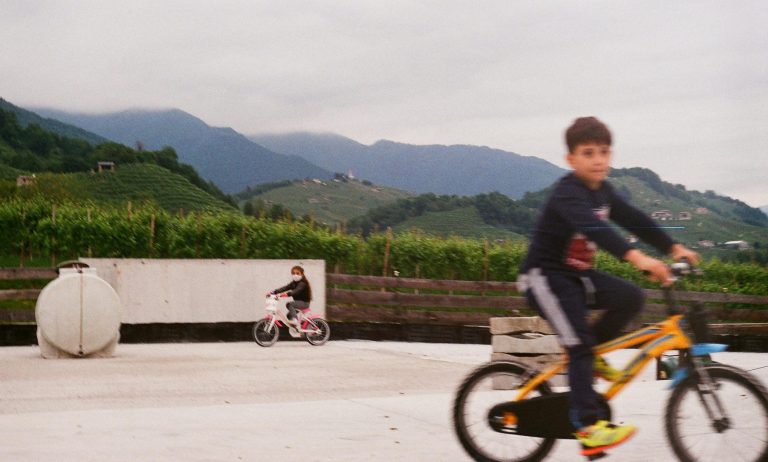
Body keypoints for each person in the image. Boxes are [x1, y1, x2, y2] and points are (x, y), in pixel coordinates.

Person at [517, 116, 699, 457]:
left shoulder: (604, 193)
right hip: (544, 277)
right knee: (579, 345)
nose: (598, 159)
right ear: (571, 160)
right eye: (588, 153)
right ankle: (587, 427)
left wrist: (673, 248)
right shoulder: (567, 193)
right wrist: (639, 260)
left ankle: (587, 356)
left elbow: (634, 220)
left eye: (603, 152)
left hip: (577, 276)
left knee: (630, 296)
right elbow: (597, 230)